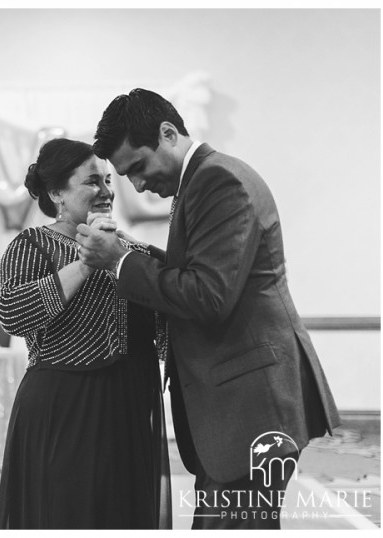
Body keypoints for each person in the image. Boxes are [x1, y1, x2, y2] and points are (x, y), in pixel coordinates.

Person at [76, 88, 340, 530]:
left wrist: (119, 262)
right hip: (237, 408)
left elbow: (207, 295)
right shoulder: (200, 180)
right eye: (126, 177)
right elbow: (199, 272)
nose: (137, 185)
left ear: (167, 133)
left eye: (138, 167)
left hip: (249, 409)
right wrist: (129, 252)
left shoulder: (219, 181)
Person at [0, 138, 171, 529]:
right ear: (57, 192)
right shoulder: (32, 245)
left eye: (108, 180)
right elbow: (13, 315)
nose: (106, 191)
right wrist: (87, 262)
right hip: (65, 411)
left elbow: (165, 332)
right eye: (92, 181)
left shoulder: (130, 251)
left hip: (128, 409)